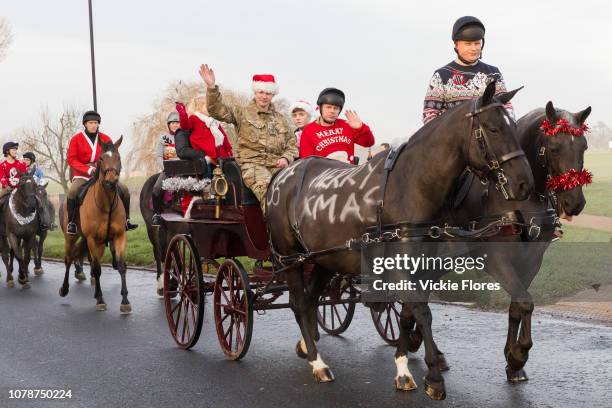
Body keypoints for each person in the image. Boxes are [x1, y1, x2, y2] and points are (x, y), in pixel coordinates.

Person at [199, 64, 297, 209]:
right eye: (261, 92)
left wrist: (286, 158)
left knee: (298, 191)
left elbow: (292, 143)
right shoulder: (242, 113)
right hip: (253, 166)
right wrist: (212, 87)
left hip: (278, 166)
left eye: (268, 93)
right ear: (255, 92)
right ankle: (275, 230)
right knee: (272, 195)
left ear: (273, 95)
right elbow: (216, 111)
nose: (264, 96)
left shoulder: (281, 119)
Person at [422, 16, 514, 125]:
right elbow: (430, 114)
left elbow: (506, 107)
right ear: (456, 45)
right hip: (453, 138)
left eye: (477, 43)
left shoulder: (493, 73)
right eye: (468, 44)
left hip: (488, 138)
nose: (474, 48)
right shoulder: (441, 75)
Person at [65, 110, 138, 235]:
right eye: (90, 123)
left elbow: (113, 155)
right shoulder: (76, 139)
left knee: (124, 189)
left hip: (104, 174)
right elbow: (71, 159)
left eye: (96, 123)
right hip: (83, 174)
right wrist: (88, 169)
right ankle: (72, 223)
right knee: (72, 191)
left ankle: (126, 220)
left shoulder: (105, 138)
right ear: (85, 124)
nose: (93, 125)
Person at [299, 88, 375, 163]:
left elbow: (369, 143)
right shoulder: (308, 130)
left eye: (336, 108)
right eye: (328, 107)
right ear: (320, 108)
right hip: (324, 174)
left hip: (348, 172)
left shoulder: (347, 125)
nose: (332, 111)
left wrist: (361, 128)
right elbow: (307, 162)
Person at [151, 112, 180, 226]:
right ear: (169, 125)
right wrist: (165, 168)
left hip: (183, 169)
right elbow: (158, 156)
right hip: (167, 169)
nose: (175, 125)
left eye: (177, 123)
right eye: (172, 123)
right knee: (157, 188)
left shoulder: (185, 137)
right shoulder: (163, 138)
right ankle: (157, 214)